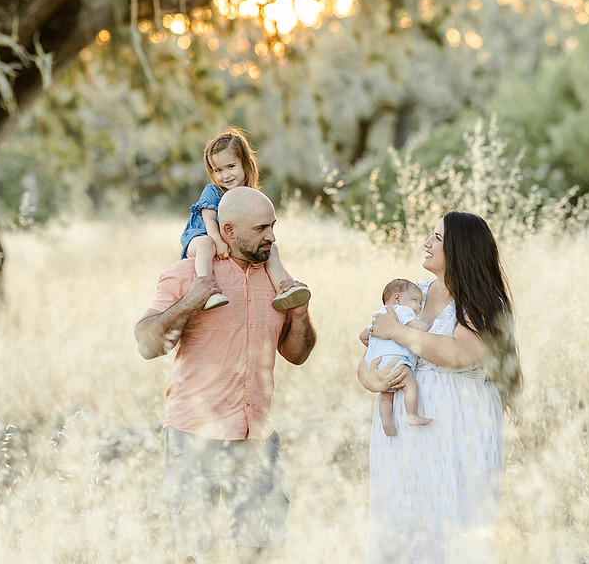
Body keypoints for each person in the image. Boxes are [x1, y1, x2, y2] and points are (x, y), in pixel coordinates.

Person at [136, 186, 318, 562]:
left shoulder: (278, 280)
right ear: (229, 230)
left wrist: (300, 316)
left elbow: (297, 355)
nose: (271, 236)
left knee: (261, 552)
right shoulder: (187, 273)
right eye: (261, 229)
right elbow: (147, 343)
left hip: (257, 436)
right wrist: (192, 300)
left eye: (273, 226)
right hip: (193, 435)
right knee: (192, 553)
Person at [357, 210, 522, 564]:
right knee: (401, 522)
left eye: (437, 238)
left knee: (451, 525)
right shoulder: (410, 293)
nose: (426, 243)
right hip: (403, 428)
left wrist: (398, 332)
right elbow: (375, 348)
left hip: (458, 423)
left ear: (460, 249)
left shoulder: (483, 302)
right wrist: (373, 379)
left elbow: (458, 353)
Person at [180, 126, 310, 311]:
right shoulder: (212, 191)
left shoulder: (250, 194)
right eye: (218, 170)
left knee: (272, 249)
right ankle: (207, 291)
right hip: (201, 236)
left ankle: (283, 290)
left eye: (231, 167)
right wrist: (217, 241)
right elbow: (208, 220)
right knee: (206, 245)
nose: (225, 175)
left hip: (229, 240)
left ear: (245, 164)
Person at [358, 278, 432, 436]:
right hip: (398, 361)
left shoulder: (379, 315)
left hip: (379, 364)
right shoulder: (402, 310)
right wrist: (427, 324)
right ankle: (412, 415)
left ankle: (386, 421)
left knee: (386, 396)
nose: (419, 306)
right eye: (415, 301)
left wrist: (377, 348)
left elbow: (363, 336)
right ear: (397, 298)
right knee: (410, 386)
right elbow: (414, 326)